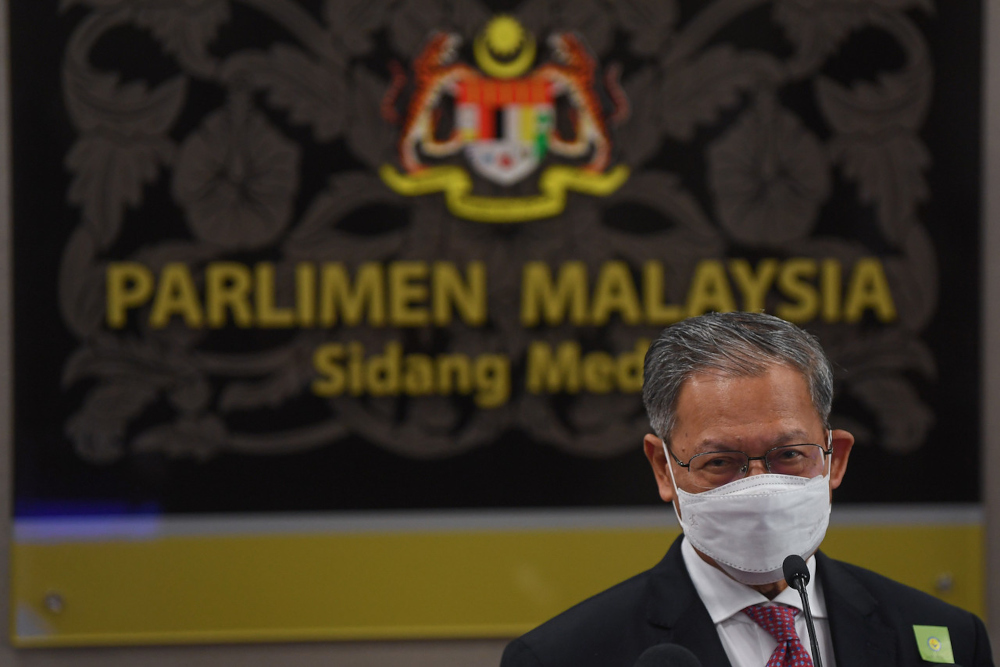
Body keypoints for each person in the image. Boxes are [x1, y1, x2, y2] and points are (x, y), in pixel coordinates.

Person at [501, 312, 993, 667]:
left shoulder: (945, 637)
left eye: (788, 455)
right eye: (721, 462)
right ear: (662, 469)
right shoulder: (560, 657)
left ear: (835, 458)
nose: (759, 487)